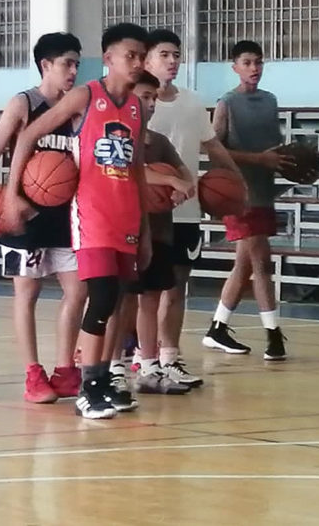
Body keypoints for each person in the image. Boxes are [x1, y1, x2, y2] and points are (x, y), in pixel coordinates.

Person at [5, 22, 152, 419]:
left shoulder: (137, 107)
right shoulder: (87, 96)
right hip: (91, 215)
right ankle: (88, 387)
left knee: (120, 300)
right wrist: (13, 192)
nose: (138, 62)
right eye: (130, 55)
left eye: (142, 56)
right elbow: (28, 135)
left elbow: (136, 168)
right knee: (101, 296)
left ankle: (102, 380)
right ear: (108, 59)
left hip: (127, 217)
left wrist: (147, 229)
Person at [0, 33, 87, 404]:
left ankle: (66, 370)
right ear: (46, 65)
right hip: (23, 214)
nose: (74, 70)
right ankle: (33, 373)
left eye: (77, 64)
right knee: (27, 293)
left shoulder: (76, 107)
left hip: (65, 215)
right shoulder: (24, 103)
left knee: (78, 290)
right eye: (68, 63)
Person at [143, 29, 243, 386]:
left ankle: (170, 357)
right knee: (145, 289)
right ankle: (142, 357)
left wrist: (236, 181)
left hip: (186, 208)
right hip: (149, 210)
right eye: (165, 54)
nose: (173, 61)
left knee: (177, 285)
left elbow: (213, 146)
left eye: (176, 55)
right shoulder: (138, 103)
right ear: (148, 59)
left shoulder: (192, 101)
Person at [202, 40, 291, 360]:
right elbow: (213, 149)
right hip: (238, 193)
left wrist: (290, 160)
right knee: (262, 264)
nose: (254, 68)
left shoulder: (270, 101)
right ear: (235, 67)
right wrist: (257, 159)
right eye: (247, 62)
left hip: (264, 190)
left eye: (258, 62)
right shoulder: (226, 103)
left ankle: (217, 328)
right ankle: (274, 335)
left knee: (243, 265)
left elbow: (273, 148)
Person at [122, 71, 194, 395]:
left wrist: (182, 187)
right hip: (126, 228)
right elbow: (134, 171)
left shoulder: (160, 142)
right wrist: (170, 182)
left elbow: (184, 175)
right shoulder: (119, 135)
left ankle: (149, 365)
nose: (150, 103)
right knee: (122, 301)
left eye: (153, 98)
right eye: (144, 96)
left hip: (160, 229)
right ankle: (110, 366)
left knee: (151, 298)